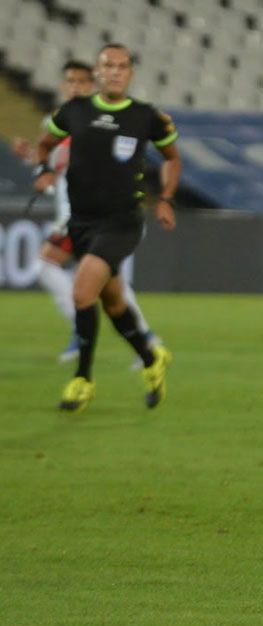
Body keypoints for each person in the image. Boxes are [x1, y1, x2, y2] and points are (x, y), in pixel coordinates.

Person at [34, 44, 179, 412]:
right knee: (113, 303)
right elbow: (45, 144)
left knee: (82, 294)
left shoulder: (146, 116)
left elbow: (172, 158)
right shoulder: (74, 111)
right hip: (82, 222)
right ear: (97, 73)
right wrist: (43, 169)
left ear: (130, 73)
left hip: (122, 222)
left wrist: (165, 198)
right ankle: (151, 359)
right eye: (108, 66)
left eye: (122, 66)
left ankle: (82, 379)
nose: (115, 72)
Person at [10, 60, 161, 363]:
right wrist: (33, 157)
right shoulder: (61, 120)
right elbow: (56, 165)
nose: (76, 87)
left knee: (49, 265)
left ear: (92, 85)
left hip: (95, 214)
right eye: (71, 82)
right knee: (106, 281)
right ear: (63, 86)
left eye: (82, 82)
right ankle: (143, 339)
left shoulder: (101, 121)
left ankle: (91, 335)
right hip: (77, 213)